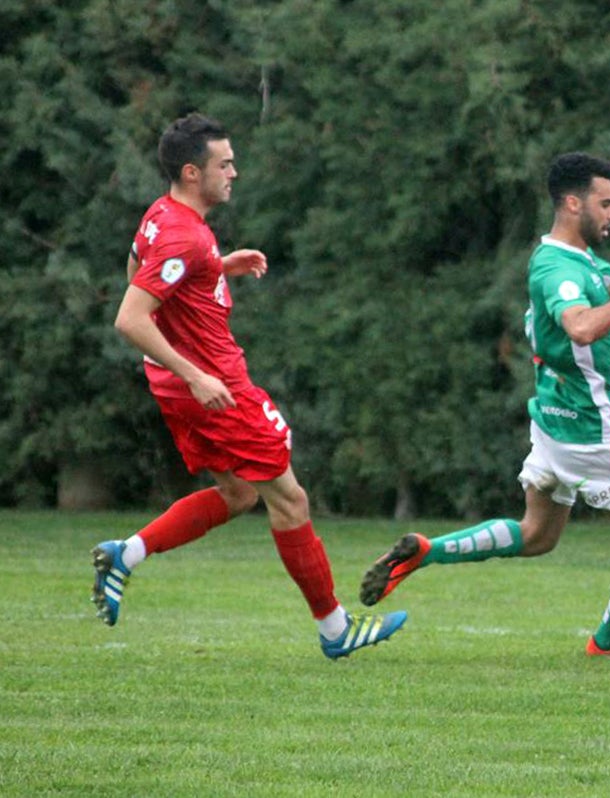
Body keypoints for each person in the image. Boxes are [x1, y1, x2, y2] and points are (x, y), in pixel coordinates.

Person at [91, 112, 406, 659]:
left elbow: (137, 267)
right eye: (225, 163)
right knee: (290, 498)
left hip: (176, 385)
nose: (234, 171)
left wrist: (214, 268)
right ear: (193, 172)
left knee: (239, 495)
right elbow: (130, 317)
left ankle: (128, 554)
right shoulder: (185, 237)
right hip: (215, 387)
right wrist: (196, 373)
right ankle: (335, 630)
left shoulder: (164, 217)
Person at [359, 152, 610, 657]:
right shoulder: (560, 272)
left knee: (536, 535)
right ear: (574, 203)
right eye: (607, 203)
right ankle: (608, 642)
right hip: (590, 431)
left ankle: (427, 551)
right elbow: (581, 323)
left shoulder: (563, 256)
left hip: (553, 422)